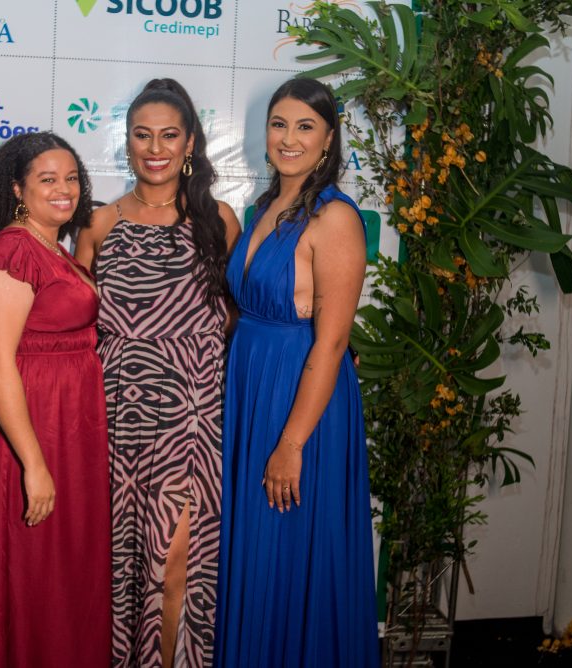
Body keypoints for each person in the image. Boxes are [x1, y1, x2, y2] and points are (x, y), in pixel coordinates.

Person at [214, 78, 380, 666]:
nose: (289, 138)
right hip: (252, 388)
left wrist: (291, 444)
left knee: (289, 546)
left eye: (305, 126)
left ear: (329, 139)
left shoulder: (335, 218)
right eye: (279, 124)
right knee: (256, 546)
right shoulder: (265, 208)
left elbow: (332, 344)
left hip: (299, 402)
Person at [75, 79, 240, 668]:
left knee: (177, 567)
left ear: (190, 142)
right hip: (118, 419)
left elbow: (240, 318)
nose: (155, 148)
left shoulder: (218, 220)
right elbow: (72, 322)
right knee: (120, 571)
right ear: (126, 141)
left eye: (169, 135)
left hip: (191, 423)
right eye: (142, 135)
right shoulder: (98, 223)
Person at [0, 131, 111, 667]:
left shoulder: (51, 247)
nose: (64, 189)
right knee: (27, 574)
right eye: (47, 180)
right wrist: (34, 464)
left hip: (65, 428)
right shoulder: (13, 251)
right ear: (18, 189)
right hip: (27, 437)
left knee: (60, 574)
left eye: (71, 178)